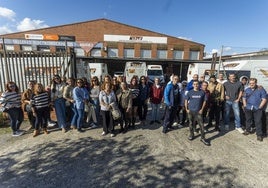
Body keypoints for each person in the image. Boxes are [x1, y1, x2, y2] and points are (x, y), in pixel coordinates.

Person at [185, 80, 210, 146]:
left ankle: (203, 138)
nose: (196, 85)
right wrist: (186, 109)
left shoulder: (202, 92)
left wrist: (202, 109)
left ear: (199, 85)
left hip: (198, 111)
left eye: (197, 84)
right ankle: (191, 134)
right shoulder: (190, 92)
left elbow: (205, 101)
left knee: (201, 125)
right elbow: (186, 100)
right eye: (194, 84)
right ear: (193, 85)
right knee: (191, 124)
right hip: (191, 111)